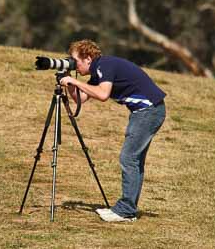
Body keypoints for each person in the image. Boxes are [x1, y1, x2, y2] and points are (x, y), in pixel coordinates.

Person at [59, 39, 166, 222]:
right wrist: (70, 83)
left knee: (129, 158)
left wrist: (74, 80)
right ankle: (127, 209)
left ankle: (125, 211)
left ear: (88, 58)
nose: (74, 64)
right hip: (148, 111)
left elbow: (102, 94)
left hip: (148, 111)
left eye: (75, 60)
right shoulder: (99, 69)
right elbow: (80, 99)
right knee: (134, 159)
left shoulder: (105, 65)